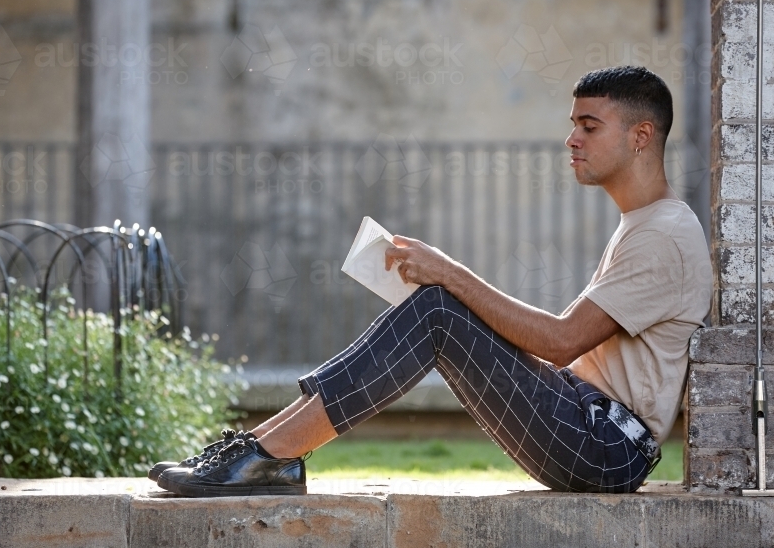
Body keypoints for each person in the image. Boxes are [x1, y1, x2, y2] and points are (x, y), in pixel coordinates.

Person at [152, 65, 712, 497]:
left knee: (440, 308)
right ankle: (258, 451)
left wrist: (451, 275)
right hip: (584, 414)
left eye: (589, 127)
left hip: (608, 447)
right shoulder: (645, 224)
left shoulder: (664, 234)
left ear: (641, 136)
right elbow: (567, 353)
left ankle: (265, 458)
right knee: (441, 307)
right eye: (573, 126)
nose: (572, 140)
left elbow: (563, 340)